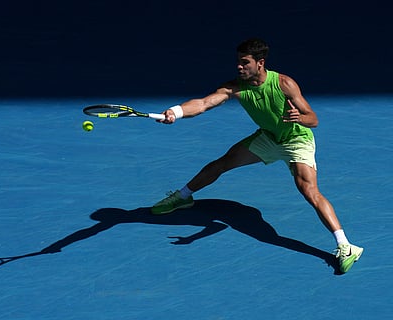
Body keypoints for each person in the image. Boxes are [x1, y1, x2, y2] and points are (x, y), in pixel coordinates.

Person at [151, 38, 363, 273]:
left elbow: (313, 119)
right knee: (222, 163)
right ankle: (183, 196)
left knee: (309, 191)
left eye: (245, 63)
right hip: (268, 138)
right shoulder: (235, 87)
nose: (239, 67)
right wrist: (176, 112)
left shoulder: (284, 83)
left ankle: (346, 246)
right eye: (238, 62)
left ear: (260, 63)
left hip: (296, 140)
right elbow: (202, 104)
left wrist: (299, 119)